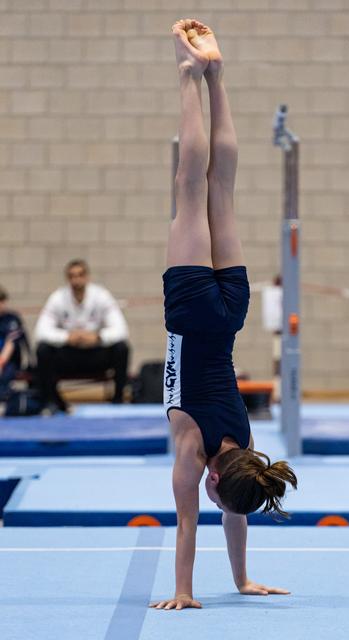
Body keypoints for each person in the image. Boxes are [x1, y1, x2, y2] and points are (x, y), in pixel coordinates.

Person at [150, 19, 297, 612]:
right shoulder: (192, 451)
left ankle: (218, 75)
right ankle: (189, 75)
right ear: (215, 478)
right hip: (188, 313)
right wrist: (183, 592)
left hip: (231, 311)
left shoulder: (248, 452)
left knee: (223, 188)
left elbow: (236, 508)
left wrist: (241, 581)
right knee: (191, 184)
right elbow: (190, 522)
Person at [35, 259, 130, 413]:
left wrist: (97, 337)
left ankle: (117, 400)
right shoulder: (57, 298)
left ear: (87, 277)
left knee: (121, 348)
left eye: (80, 275)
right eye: (72, 276)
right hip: (69, 356)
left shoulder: (101, 295)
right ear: (67, 278)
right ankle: (52, 402)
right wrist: (67, 337)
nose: (76, 280)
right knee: (43, 350)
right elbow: (40, 332)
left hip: (95, 355)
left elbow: (121, 330)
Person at [0, 286, 31, 400]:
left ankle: (4, 399)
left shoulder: (12, 319)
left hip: (9, 362)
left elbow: (11, 344)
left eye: (1, 301)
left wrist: (1, 362)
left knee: (5, 375)